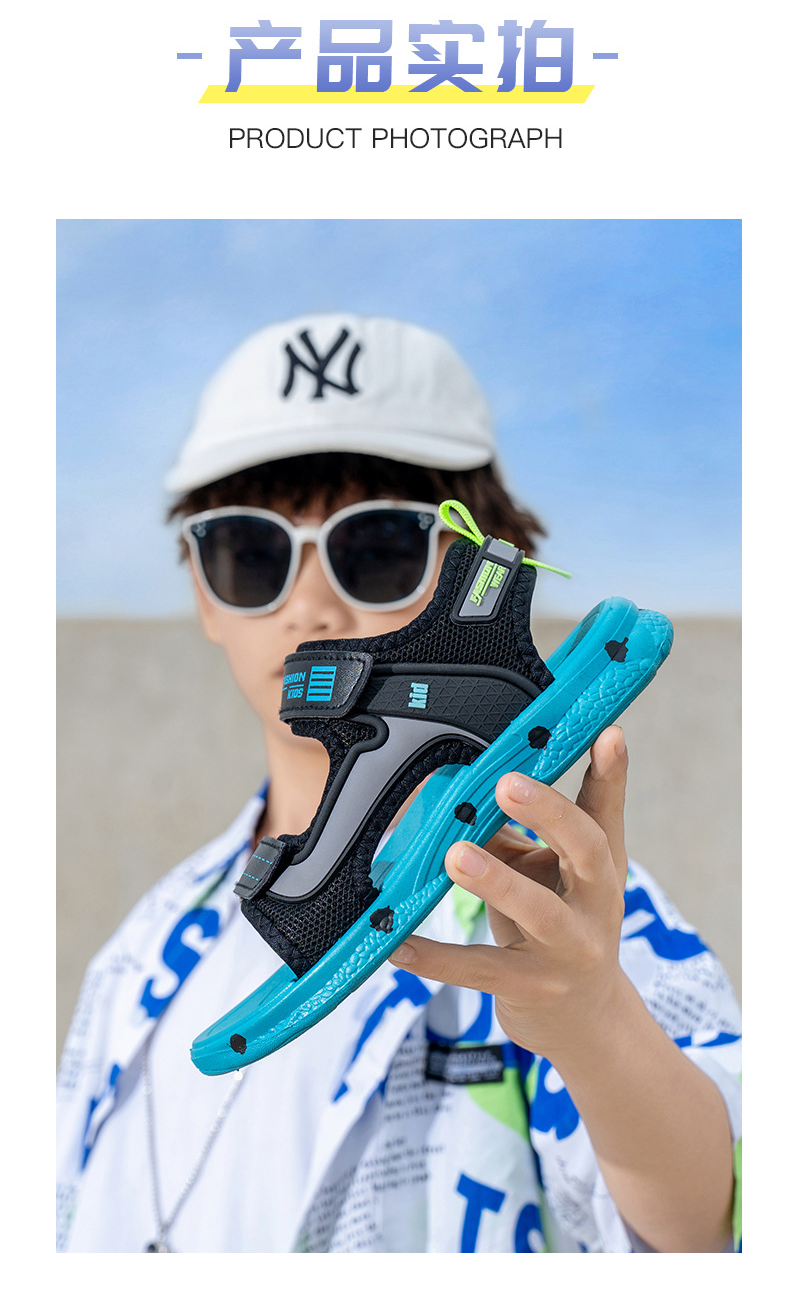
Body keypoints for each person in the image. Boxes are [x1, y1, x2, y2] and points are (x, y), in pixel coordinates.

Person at [56, 312, 742, 1254]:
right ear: (204, 596)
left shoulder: (569, 913)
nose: (309, 603)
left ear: (489, 559)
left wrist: (594, 1021)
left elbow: (714, 1226)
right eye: (249, 554)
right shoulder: (141, 948)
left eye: (377, 547)